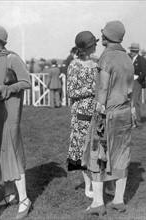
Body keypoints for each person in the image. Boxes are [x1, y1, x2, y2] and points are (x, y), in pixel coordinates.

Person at [82, 20, 134, 217]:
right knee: (122, 153)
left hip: (107, 113)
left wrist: (99, 110)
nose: (101, 35)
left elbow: (103, 87)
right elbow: (130, 88)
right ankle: (119, 200)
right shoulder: (127, 57)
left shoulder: (106, 57)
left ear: (108, 36)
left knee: (98, 154)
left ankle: (98, 202)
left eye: (103, 33)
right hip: (125, 112)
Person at [0, 25, 32, 219]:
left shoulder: (12, 58)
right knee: (0, 150)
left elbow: (26, 82)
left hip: (9, 111)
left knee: (11, 150)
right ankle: (9, 195)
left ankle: (25, 199)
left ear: (0, 41)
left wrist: (5, 88)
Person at [66, 31, 98, 199]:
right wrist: (93, 90)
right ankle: (88, 186)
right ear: (86, 47)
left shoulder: (95, 63)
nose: (96, 45)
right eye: (93, 43)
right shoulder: (74, 65)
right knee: (83, 150)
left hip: (97, 111)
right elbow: (71, 91)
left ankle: (100, 182)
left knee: (97, 147)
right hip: (81, 113)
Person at [128, 43, 146, 127]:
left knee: (135, 101)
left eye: (133, 51)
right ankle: (130, 120)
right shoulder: (129, 58)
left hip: (136, 82)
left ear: (136, 51)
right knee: (128, 101)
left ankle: (137, 120)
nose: (131, 52)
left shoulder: (142, 60)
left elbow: (144, 72)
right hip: (128, 81)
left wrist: (138, 80)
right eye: (131, 50)